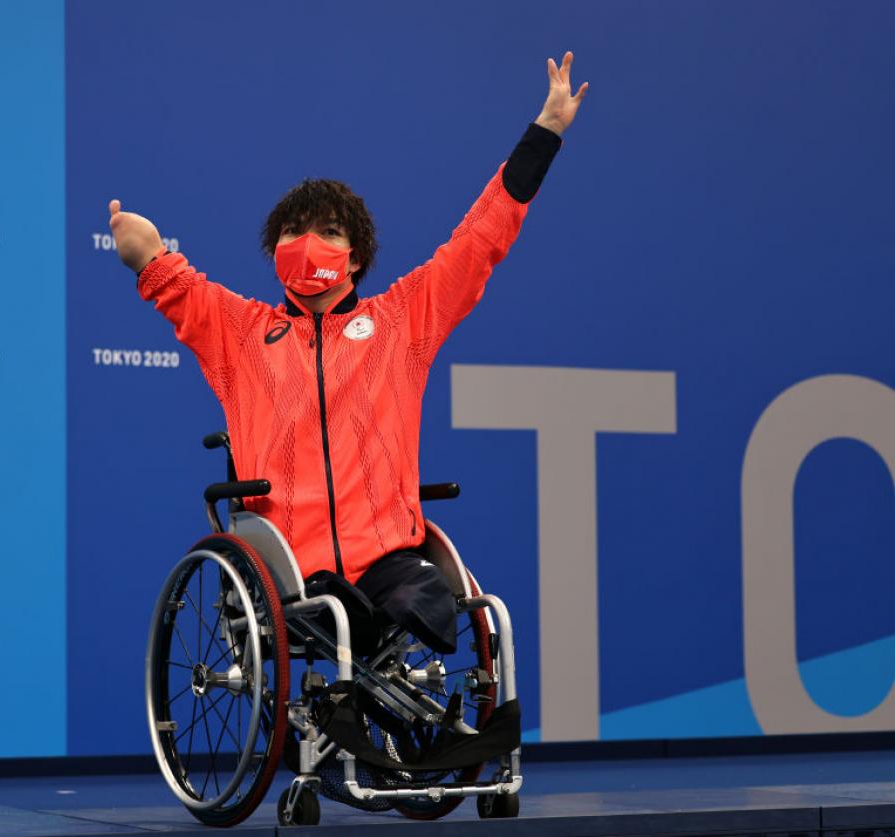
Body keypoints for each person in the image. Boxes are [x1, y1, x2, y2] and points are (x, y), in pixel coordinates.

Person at [109, 52, 588, 657]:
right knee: (337, 613)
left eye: (330, 233)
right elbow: (179, 287)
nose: (309, 244)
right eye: (293, 233)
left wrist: (543, 133)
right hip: (289, 575)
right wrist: (145, 251)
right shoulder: (240, 333)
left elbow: (479, 242)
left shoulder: (400, 323)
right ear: (275, 253)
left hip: (387, 563)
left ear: (355, 257)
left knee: (440, 605)